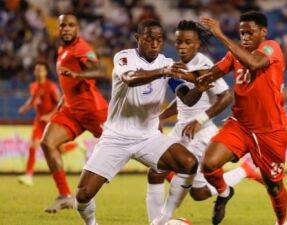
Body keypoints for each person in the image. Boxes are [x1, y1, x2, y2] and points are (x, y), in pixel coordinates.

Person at [74, 19, 203, 225]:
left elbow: (187, 98)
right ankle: (91, 223)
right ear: (138, 38)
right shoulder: (125, 57)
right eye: (149, 39)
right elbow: (130, 78)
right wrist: (163, 72)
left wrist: (201, 87)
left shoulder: (167, 64)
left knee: (188, 163)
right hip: (116, 137)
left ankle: (162, 220)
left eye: (159, 40)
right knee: (82, 195)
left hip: (148, 137)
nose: (154, 44)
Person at [146, 20, 263, 224]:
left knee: (192, 189)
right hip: (180, 130)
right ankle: (159, 221)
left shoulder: (204, 65)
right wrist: (161, 116)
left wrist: (200, 120)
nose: (181, 46)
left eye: (187, 42)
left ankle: (245, 170)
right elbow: (183, 101)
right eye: (178, 42)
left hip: (200, 134)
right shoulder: (176, 67)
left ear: (197, 44)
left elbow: (226, 96)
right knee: (160, 173)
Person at [196, 11, 287, 225]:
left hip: (270, 131)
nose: (245, 37)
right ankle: (224, 191)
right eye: (241, 33)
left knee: (274, 186)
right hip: (240, 125)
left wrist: (220, 35)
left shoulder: (270, 47)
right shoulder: (235, 54)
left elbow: (254, 64)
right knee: (209, 164)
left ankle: (281, 222)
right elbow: (213, 72)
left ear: (263, 32)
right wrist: (194, 78)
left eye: (249, 32)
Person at [40, 14, 108, 213]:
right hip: (71, 109)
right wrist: (64, 96)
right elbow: (68, 81)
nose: (66, 29)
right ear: (58, 29)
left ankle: (174, 175)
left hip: (92, 110)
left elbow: (100, 70)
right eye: (63, 26)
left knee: (131, 146)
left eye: (71, 25)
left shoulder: (81, 48)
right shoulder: (63, 49)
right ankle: (64, 196)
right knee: (47, 143)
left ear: (77, 28)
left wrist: (78, 75)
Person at [17, 62, 59, 186]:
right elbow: (34, 98)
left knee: (57, 148)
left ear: (46, 72)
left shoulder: (51, 86)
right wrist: (26, 107)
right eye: (36, 70)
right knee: (33, 145)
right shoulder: (33, 86)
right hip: (39, 121)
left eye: (41, 70)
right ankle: (29, 175)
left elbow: (60, 104)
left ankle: (76, 145)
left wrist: (49, 115)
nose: (38, 72)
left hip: (51, 121)